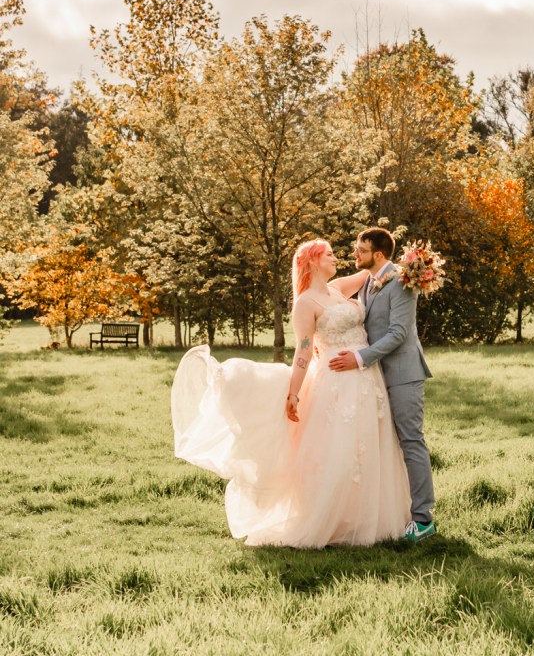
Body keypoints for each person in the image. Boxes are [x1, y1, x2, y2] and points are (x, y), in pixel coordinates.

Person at [171, 239, 411, 547]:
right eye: (329, 255)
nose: (336, 258)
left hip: (366, 378)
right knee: (339, 451)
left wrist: (414, 265)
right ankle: (331, 520)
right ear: (312, 261)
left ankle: (365, 519)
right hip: (336, 382)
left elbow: (375, 272)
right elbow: (304, 351)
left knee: (368, 446)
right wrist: (294, 393)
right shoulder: (305, 304)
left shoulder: (338, 288)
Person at [329, 227, 435, 540]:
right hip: (374, 379)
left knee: (410, 441)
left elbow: (398, 333)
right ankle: (388, 512)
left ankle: (423, 518)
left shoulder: (402, 281)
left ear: (377, 254)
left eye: (360, 250)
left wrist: (360, 358)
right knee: (384, 446)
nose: (354, 254)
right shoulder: (368, 283)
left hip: (402, 373)